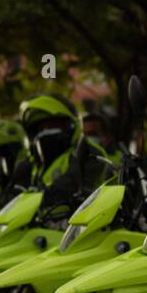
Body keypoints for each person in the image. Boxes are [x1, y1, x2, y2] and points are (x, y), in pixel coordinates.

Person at [17, 92, 118, 221]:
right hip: (43, 227)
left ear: (70, 124)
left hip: (83, 224)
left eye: (54, 125)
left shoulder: (86, 151)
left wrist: (44, 196)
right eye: (43, 127)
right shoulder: (33, 163)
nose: (48, 131)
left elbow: (73, 183)